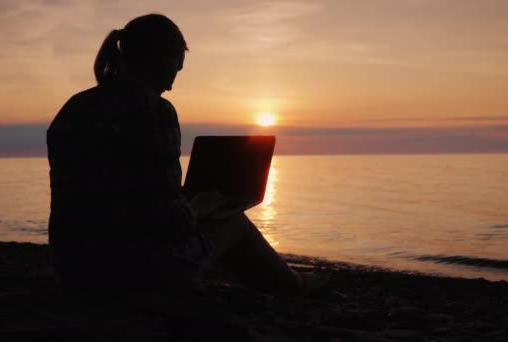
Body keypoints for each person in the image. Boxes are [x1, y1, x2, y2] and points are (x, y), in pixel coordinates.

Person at [47, 14, 315, 296]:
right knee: (233, 222)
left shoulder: (74, 107)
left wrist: (183, 201)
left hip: (71, 270)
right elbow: (170, 225)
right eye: (177, 67)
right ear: (163, 59)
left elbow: (115, 197)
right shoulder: (152, 110)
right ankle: (292, 286)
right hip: (127, 275)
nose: (172, 84)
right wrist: (202, 207)